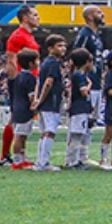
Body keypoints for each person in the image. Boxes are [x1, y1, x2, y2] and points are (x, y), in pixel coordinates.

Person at [2, 4, 40, 166]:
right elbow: (11, 60)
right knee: (17, 118)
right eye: (35, 15)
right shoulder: (17, 36)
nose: (38, 18)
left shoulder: (29, 36)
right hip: (21, 81)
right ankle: (5, 154)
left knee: (22, 119)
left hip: (29, 80)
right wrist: (15, 82)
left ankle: (17, 156)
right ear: (25, 18)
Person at [72, 5, 105, 165]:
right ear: (90, 16)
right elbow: (76, 55)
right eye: (99, 12)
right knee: (83, 120)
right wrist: (80, 79)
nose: (102, 14)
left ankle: (84, 155)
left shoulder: (97, 36)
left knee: (91, 121)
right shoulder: (85, 34)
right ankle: (75, 157)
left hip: (97, 83)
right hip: (87, 83)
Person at [32, 34, 67, 172]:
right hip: (50, 102)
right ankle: (43, 163)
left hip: (44, 102)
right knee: (50, 132)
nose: (63, 48)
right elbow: (48, 82)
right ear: (50, 48)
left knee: (44, 132)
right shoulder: (53, 63)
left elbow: (39, 82)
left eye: (64, 45)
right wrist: (40, 99)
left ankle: (40, 161)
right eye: (59, 46)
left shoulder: (46, 62)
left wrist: (37, 100)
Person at [65, 48, 95, 170]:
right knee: (77, 135)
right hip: (79, 109)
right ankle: (73, 161)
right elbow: (83, 92)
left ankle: (75, 160)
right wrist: (89, 85)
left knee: (78, 135)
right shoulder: (80, 75)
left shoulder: (77, 74)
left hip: (80, 109)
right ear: (87, 62)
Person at [10, 49, 39, 170]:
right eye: (37, 60)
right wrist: (35, 106)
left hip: (16, 107)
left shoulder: (17, 76)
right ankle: (17, 160)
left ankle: (22, 158)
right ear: (31, 63)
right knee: (19, 135)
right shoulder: (30, 78)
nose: (38, 62)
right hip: (25, 109)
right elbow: (31, 95)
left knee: (23, 135)